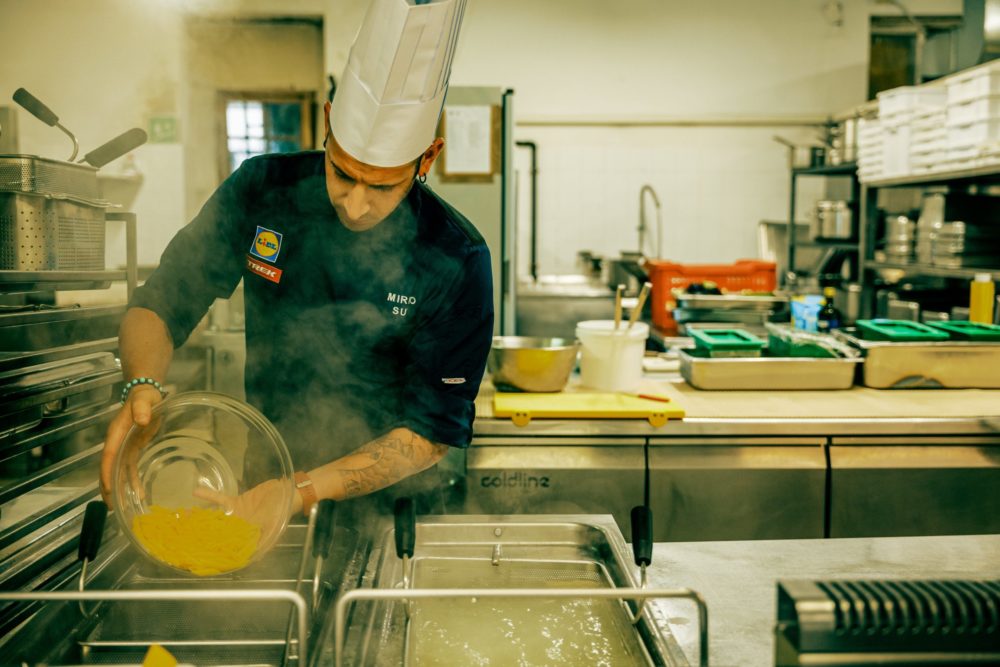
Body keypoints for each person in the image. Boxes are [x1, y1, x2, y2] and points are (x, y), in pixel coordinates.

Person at [99, 0, 491, 522]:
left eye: (383, 187)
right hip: (264, 480)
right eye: (342, 173)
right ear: (327, 123)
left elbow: (429, 432)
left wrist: (302, 490)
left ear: (429, 156)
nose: (355, 205)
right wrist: (140, 385)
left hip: (392, 510)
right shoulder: (263, 189)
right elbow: (163, 300)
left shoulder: (455, 256)